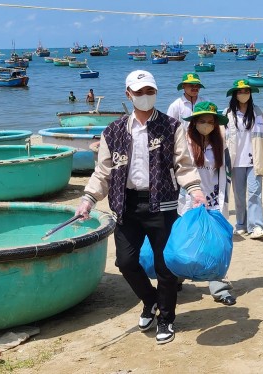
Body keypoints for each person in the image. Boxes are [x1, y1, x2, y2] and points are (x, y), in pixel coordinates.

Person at [75, 70, 206, 345]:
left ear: (156, 93)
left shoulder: (172, 127)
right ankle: (151, 301)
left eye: (150, 91)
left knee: (165, 267)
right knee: (125, 261)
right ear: (128, 94)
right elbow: (103, 172)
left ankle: (166, 319)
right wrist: (88, 199)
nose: (145, 96)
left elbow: (183, 164)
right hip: (126, 206)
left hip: (163, 204)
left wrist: (195, 191)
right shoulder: (112, 131)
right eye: (139, 92)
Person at [178, 101, 236, 306]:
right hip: (188, 201)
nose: (206, 125)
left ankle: (218, 286)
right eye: (202, 121)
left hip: (213, 201)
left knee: (215, 245)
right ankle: (176, 279)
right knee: (186, 242)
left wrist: (222, 201)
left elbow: (225, 174)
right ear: (194, 122)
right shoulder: (183, 142)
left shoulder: (220, 143)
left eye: (210, 122)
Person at [223, 79, 263, 240]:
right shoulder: (227, 114)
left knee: (254, 194)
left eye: (246, 91)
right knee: (238, 195)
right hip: (235, 162)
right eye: (240, 91)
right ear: (235, 94)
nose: (243, 94)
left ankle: (256, 226)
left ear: (250, 94)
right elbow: (220, 138)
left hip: (254, 161)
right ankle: (241, 225)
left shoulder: (258, 113)